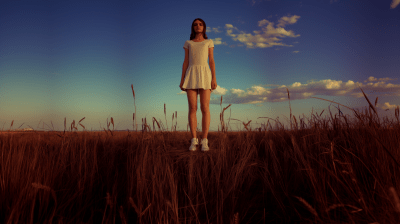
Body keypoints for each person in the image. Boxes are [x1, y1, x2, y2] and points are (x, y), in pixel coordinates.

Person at [179, 18, 217, 152]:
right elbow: (185, 62)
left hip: (205, 74)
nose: (198, 26)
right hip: (191, 75)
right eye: (195, 25)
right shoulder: (188, 43)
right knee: (192, 108)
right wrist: (182, 79)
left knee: (205, 107)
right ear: (193, 28)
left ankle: (204, 140)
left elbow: (211, 60)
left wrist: (214, 78)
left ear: (204, 27)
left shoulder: (209, 42)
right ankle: (194, 140)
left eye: (200, 24)